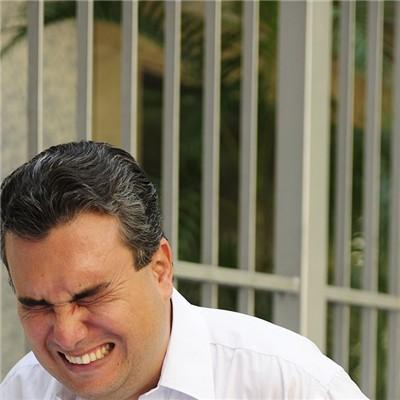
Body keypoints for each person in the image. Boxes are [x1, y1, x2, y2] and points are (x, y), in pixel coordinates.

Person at [1, 141, 367, 400]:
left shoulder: (287, 385)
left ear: (160, 269)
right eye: (37, 305)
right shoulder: (22, 390)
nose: (67, 335)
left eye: (90, 296)